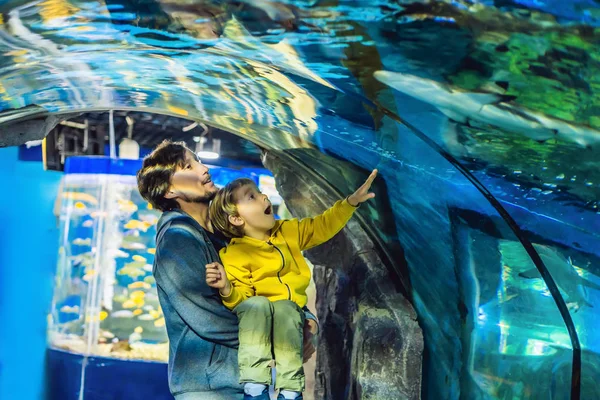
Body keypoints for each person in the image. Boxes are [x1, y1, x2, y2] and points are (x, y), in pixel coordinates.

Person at [136, 140, 318, 400]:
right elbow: (206, 318)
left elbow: (273, 281)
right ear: (169, 191)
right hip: (209, 387)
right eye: (189, 166)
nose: (203, 169)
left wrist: (305, 321)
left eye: (198, 160)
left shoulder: (229, 235)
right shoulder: (177, 240)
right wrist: (280, 339)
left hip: (248, 380)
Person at [206, 170, 378, 400]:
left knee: (286, 309)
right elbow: (241, 300)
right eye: (251, 197)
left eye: (259, 192)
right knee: (256, 304)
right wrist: (226, 288)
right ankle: (255, 389)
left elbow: (321, 226)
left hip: (291, 311)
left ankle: (290, 392)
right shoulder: (234, 255)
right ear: (236, 219)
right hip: (260, 316)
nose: (263, 197)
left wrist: (350, 203)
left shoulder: (287, 231)